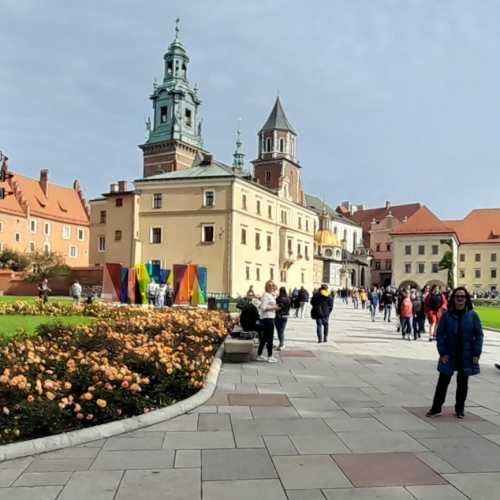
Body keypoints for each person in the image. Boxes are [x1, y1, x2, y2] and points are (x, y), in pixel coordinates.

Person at [426, 287, 484, 419]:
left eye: (462, 296)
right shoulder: (447, 315)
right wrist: (442, 353)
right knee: (442, 382)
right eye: (457, 296)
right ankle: (436, 408)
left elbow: (479, 335)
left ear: (466, 299)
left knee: (463, 383)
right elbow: (440, 335)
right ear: (453, 299)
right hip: (449, 353)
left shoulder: (473, 315)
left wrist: (476, 353)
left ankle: (460, 409)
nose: (460, 299)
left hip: (466, 354)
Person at [256, 280, 279, 363]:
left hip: (269, 318)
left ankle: (259, 355)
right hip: (268, 318)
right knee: (270, 338)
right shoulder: (266, 295)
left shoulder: (270, 295)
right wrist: (274, 308)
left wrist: (274, 307)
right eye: (269, 285)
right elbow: (262, 307)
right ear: (266, 286)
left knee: (265, 338)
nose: (271, 286)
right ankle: (270, 356)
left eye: (272, 285)